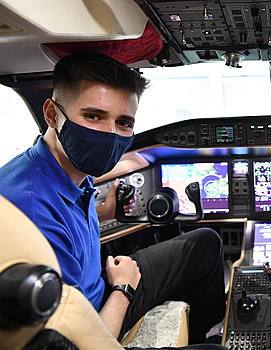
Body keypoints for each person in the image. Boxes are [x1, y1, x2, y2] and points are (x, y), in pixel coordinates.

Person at [0, 52, 226, 345]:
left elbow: (66, 217)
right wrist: (123, 288)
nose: (110, 135)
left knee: (205, 243)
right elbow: (78, 341)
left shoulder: (68, 165)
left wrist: (103, 214)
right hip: (95, 316)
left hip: (96, 288)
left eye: (123, 122)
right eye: (93, 116)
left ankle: (204, 332)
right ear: (52, 114)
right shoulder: (29, 213)